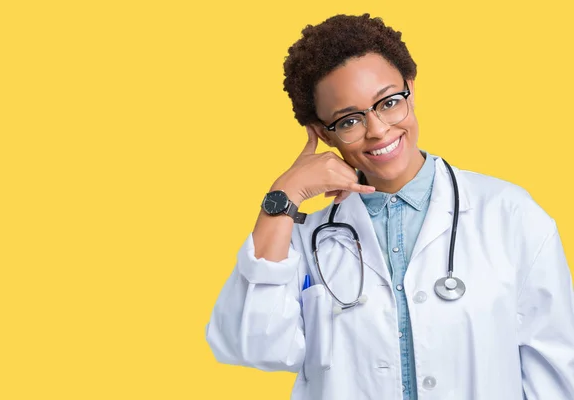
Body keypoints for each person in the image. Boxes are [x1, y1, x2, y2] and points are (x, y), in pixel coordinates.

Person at [205, 14, 574, 400]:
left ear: (410, 89)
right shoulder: (300, 239)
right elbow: (250, 347)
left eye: (389, 102)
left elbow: (555, 373)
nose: (378, 129)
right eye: (349, 120)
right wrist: (281, 198)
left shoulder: (510, 215)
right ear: (322, 133)